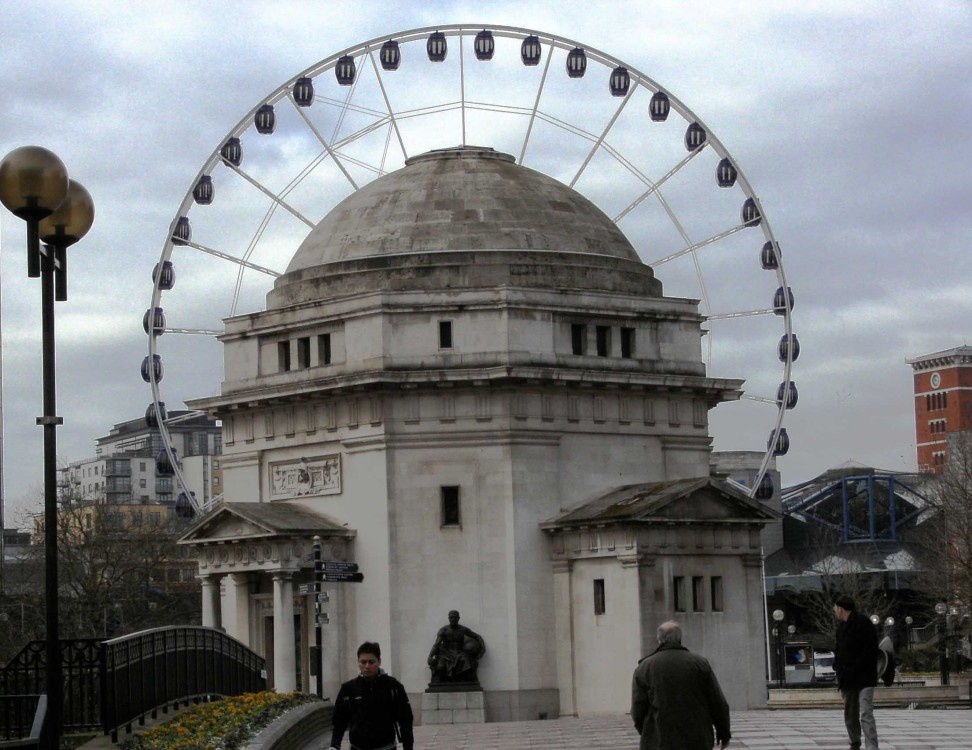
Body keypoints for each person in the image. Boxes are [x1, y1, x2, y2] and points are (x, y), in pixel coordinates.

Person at [631, 621, 730, 750]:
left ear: (659, 639)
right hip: (697, 739)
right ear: (680, 638)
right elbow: (717, 702)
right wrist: (724, 733)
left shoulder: (645, 667)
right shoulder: (700, 663)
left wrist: (648, 733)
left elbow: (638, 708)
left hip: (660, 740)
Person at [329, 641, 414, 750]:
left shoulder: (393, 687)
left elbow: (406, 720)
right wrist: (334, 745)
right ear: (358, 662)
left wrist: (408, 747)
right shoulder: (348, 689)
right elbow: (339, 721)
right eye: (363, 662)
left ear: (379, 661)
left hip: (386, 747)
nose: (367, 666)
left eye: (371, 662)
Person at [834, 595, 880, 750]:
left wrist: (855, 667)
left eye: (836, 608)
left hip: (864, 677)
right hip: (848, 679)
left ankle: (872, 746)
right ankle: (855, 741)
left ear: (840, 609)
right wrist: (837, 666)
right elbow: (839, 650)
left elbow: (870, 650)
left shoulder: (863, 623)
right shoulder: (841, 628)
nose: (835, 611)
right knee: (850, 713)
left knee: (866, 712)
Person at [427, 610, 486, 684]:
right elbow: (437, 644)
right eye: (451, 617)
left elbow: (477, 636)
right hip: (445, 654)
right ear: (449, 618)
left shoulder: (463, 629)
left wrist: (482, 648)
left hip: (459, 653)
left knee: (466, 662)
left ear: (458, 618)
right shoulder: (443, 630)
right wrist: (430, 656)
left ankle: (464, 680)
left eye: (455, 617)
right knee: (440, 668)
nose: (453, 619)